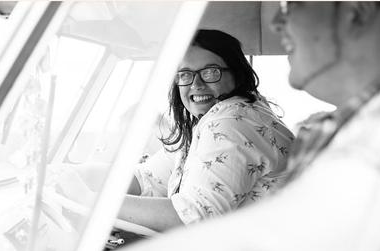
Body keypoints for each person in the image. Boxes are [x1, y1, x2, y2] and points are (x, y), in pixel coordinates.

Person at [83, 2, 380, 251]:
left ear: (357, 10)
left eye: (292, 5)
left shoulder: (233, 119)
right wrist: (78, 178)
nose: (277, 23)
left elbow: (214, 227)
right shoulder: (338, 127)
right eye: (184, 74)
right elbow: (151, 177)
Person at [54, 29, 294, 232]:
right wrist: (69, 174)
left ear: (237, 74)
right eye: (185, 74)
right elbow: (145, 177)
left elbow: (194, 216)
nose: (196, 84)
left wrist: (87, 199)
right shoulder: (214, 120)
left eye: (210, 72)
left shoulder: (231, 121)